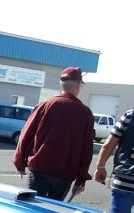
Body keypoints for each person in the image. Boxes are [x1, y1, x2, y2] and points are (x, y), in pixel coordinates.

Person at [13, 67, 95, 200]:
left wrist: (20, 162)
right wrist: (81, 179)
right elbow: (86, 150)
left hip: (40, 169)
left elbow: (26, 135)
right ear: (79, 85)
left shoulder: (45, 105)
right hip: (65, 174)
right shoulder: (85, 114)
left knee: (32, 211)